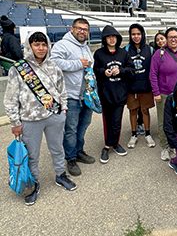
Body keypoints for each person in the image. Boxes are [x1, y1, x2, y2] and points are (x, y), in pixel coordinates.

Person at [4, 31, 77, 206]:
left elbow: (62, 90)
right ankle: (34, 184)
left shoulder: (54, 67)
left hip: (54, 116)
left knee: (57, 148)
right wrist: (15, 122)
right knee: (32, 155)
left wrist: (63, 109)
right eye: (36, 44)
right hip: (30, 120)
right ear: (29, 46)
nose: (41, 48)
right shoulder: (19, 68)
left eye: (44, 44)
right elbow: (10, 98)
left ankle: (60, 175)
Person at [51, 18, 95, 177]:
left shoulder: (86, 47)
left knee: (83, 126)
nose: (82, 31)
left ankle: (79, 151)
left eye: (85, 29)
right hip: (71, 96)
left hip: (86, 96)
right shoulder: (62, 44)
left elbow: (89, 67)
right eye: (79, 28)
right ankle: (70, 158)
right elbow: (53, 62)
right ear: (72, 28)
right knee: (70, 129)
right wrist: (78, 64)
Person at [94, 25, 131, 163]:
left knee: (116, 121)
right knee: (108, 121)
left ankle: (111, 145)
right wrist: (104, 71)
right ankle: (110, 144)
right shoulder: (99, 53)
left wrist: (120, 71)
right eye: (109, 37)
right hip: (105, 93)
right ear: (105, 39)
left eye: (114, 36)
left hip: (120, 93)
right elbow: (95, 70)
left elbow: (130, 69)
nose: (111, 39)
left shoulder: (123, 53)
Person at [150, 27, 177, 161]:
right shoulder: (159, 54)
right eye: (170, 37)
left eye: (176, 36)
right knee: (163, 121)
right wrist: (156, 92)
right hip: (164, 93)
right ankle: (165, 146)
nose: (173, 39)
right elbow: (152, 74)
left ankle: (175, 143)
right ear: (166, 39)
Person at [125, 23, 156, 149]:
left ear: (142, 34)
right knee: (132, 110)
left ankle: (148, 133)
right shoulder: (126, 49)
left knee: (145, 110)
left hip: (145, 86)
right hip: (132, 87)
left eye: (138, 34)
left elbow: (153, 69)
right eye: (133, 34)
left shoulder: (150, 49)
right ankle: (134, 134)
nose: (136, 36)